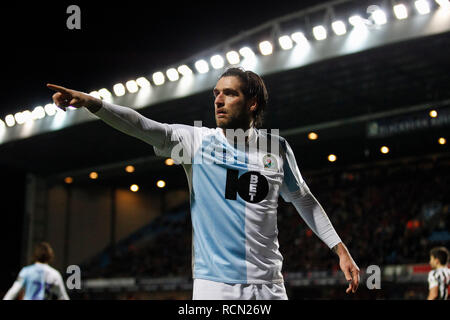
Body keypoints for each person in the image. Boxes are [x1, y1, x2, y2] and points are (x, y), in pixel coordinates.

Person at [47, 67, 360, 300]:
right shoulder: (194, 142)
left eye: (229, 93)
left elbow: (303, 198)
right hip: (215, 288)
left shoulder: (276, 148)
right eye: (216, 94)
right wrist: (93, 103)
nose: (219, 100)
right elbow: (143, 126)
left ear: (252, 104)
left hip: (269, 286)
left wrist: (340, 249)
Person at [3, 242, 69, 300]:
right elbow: (62, 296)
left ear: (35, 255)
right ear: (50, 256)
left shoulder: (26, 271)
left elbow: (14, 291)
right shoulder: (55, 274)